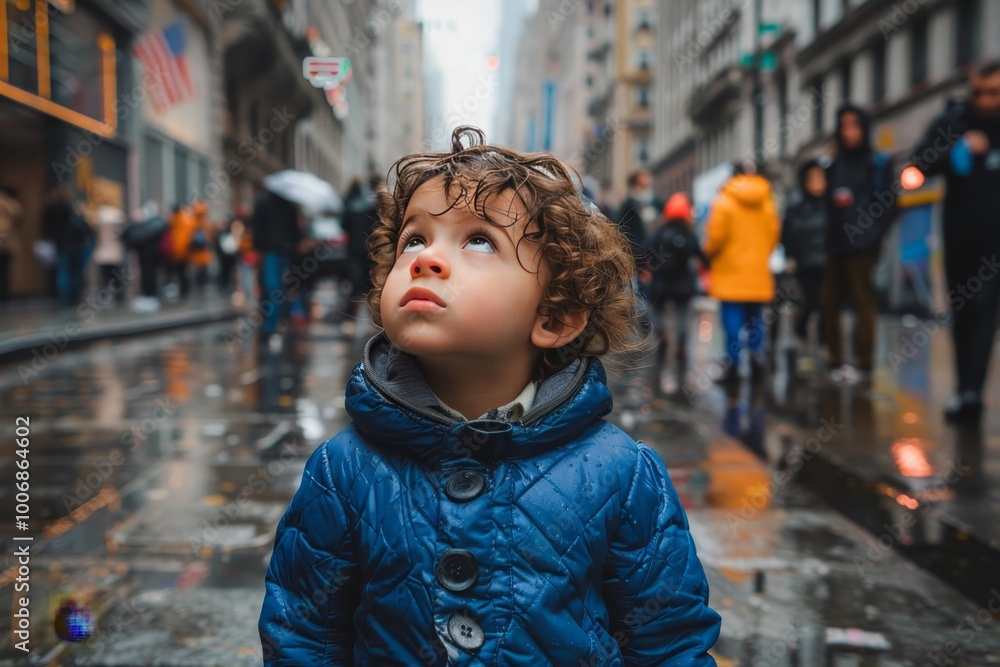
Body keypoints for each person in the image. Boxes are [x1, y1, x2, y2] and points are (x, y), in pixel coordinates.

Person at [258, 126, 721, 664]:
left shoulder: (622, 473)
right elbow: (302, 635)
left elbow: (669, 642)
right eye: (415, 238)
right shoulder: (342, 471)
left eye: (479, 240)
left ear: (554, 317)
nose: (426, 259)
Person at [912, 58, 1000, 420]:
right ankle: (964, 389)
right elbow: (918, 165)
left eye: (993, 93)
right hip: (959, 237)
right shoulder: (952, 122)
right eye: (978, 92)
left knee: (983, 311)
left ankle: (971, 393)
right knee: (962, 312)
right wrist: (954, 153)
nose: (984, 100)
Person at [821, 102, 897, 384]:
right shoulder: (831, 166)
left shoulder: (877, 163)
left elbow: (890, 205)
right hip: (833, 243)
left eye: (855, 125)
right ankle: (835, 359)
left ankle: (863, 363)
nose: (849, 132)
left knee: (863, 302)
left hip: (864, 245)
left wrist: (873, 236)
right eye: (844, 125)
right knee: (829, 303)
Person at [702, 162, 781, 386]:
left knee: (732, 322)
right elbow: (774, 235)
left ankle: (734, 365)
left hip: (730, 273)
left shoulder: (724, 201)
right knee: (756, 319)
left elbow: (714, 239)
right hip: (758, 272)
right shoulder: (767, 201)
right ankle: (757, 358)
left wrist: (710, 253)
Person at [642, 192, 707, 393]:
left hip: (661, 284)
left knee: (658, 314)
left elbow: (644, 253)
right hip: (683, 286)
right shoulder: (689, 234)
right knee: (682, 316)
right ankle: (680, 342)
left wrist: (646, 269)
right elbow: (700, 256)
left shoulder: (659, 233)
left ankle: (661, 335)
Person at [781, 159, 829, 371]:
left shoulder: (830, 204)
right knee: (807, 303)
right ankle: (801, 340)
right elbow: (788, 234)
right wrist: (791, 257)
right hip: (805, 263)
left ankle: (823, 346)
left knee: (826, 305)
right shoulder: (797, 207)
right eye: (812, 178)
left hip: (827, 262)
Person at [249, 190, 301, 346]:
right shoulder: (287, 206)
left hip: (271, 253)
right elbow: (295, 233)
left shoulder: (264, 203)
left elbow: (256, 227)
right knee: (275, 288)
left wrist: (259, 246)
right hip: (278, 253)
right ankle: (273, 322)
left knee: (272, 287)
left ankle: (271, 324)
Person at [43, 184, 94, 308]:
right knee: (74, 272)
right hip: (75, 245)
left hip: (61, 245)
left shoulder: (50, 210)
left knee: (62, 272)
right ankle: (73, 297)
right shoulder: (71, 211)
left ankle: (63, 298)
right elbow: (85, 229)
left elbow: (48, 229)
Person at [342, 175, 379, 321]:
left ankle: (350, 318)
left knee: (355, 284)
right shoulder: (371, 203)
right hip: (369, 249)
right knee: (370, 282)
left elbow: (344, 225)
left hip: (353, 250)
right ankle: (375, 318)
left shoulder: (349, 203)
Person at [616, 168, 662, 265]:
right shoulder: (629, 203)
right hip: (636, 250)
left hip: (655, 249)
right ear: (636, 180)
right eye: (644, 176)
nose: (648, 179)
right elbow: (621, 225)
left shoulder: (655, 201)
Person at [91, 201, 127, 305]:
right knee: (114, 278)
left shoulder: (101, 225)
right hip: (112, 255)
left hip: (104, 256)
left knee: (105, 278)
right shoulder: (116, 225)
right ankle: (117, 298)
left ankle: (106, 297)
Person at [0, 185, 23, 301]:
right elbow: (18, 215)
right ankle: (5, 296)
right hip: (6, 244)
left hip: (5, 243)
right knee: (5, 271)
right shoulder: (10, 203)